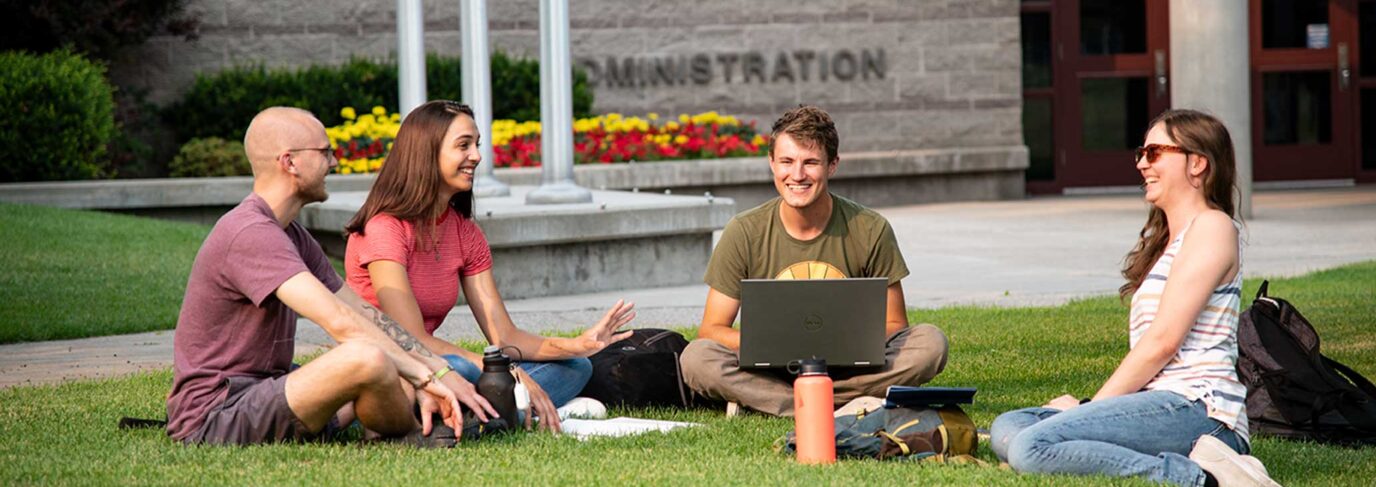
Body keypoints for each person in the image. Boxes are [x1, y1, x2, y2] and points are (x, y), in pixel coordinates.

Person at [167, 107, 496, 447]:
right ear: (289, 162)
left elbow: (365, 314)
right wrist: (428, 378)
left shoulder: (290, 233)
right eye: (324, 153)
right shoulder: (249, 232)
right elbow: (340, 322)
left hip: (269, 392)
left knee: (391, 360)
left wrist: (434, 367)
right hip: (218, 415)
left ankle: (404, 423)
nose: (335, 163)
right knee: (367, 357)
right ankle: (404, 435)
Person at [988, 110, 1280, 486]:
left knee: (1030, 447)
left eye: (1155, 153)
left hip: (1199, 410)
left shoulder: (1212, 226)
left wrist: (1091, 408)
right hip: (1158, 404)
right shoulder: (1171, 241)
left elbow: (1162, 342)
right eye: (1141, 153)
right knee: (1008, 427)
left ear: (1197, 163)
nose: (1142, 163)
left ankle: (1201, 478)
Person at [343, 100, 636, 432]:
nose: (477, 157)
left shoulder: (464, 231)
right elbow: (413, 339)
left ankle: (491, 416)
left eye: (476, 145)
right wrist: (505, 371)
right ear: (426, 152)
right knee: (463, 369)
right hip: (396, 374)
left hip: (438, 369)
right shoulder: (385, 228)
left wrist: (577, 344)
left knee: (576, 367)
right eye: (463, 145)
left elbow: (504, 335)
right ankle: (512, 412)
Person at [678, 105, 948, 417]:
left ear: (832, 165)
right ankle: (837, 404)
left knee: (930, 343)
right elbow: (712, 329)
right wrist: (770, 343)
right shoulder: (744, 230)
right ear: (771, 163)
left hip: (849, 368)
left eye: (810, 163)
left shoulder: (871, 228)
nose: (797, 175)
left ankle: (780, 402)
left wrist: (844, 342)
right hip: (772, 369)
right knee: (697, 357)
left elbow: (895, 324)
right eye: (787, 162)